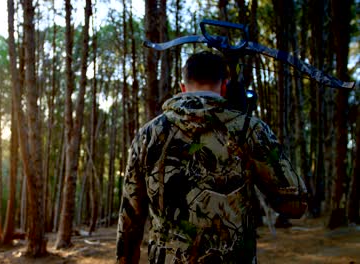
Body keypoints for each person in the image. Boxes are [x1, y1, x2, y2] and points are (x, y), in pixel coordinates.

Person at [116, 51, 307, 264]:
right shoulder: (250, 129)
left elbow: (130, 220)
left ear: (182, 88)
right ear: (225, 87)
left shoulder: (148, 135)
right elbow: (295, 205)